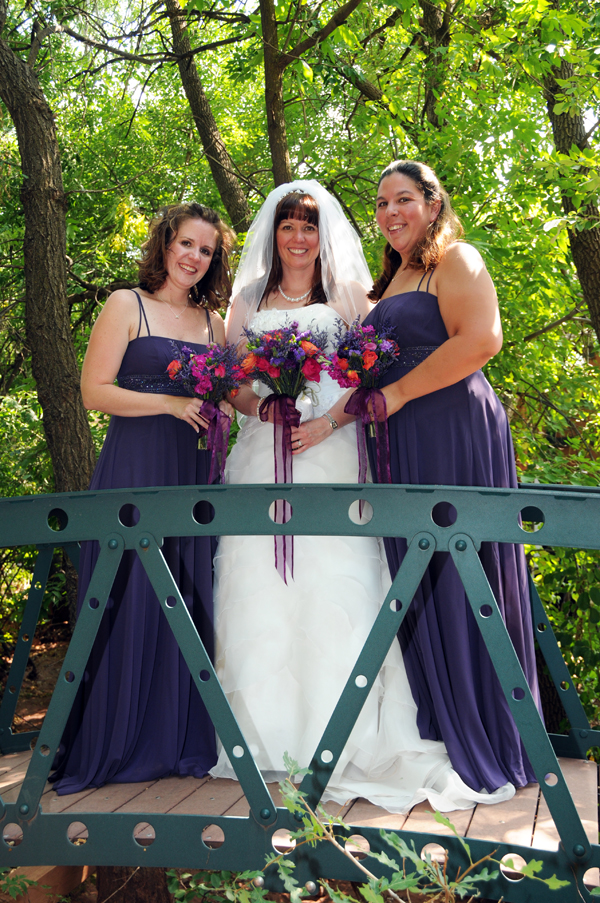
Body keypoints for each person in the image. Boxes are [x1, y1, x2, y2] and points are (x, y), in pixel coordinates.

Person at [209, 179, 515, 813]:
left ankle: (351, 733)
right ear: (272, 234)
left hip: (338, 446)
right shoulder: (247, 300)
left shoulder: (357, 293)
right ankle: (262, 736)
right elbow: (232, 380)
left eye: (310, 226)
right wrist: (262, 407)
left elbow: (373, 368)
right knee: (257, 583)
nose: (299, 237)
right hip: (266, 450)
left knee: (343, 579)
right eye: (288, 226)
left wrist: (329, 420)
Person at [297, 161, 540, 797]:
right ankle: (442, 725)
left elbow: (482, 340)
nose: (389, 213)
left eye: (403, 199)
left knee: (462, 574)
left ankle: (489, 733)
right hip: (399, 441)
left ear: (433, 204)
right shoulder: (393, 280)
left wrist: (400, 393)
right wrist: (329, 423)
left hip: (451, 430)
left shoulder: (457, 260)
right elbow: (370, 381)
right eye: (380, 204)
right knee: (418, 578)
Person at [51, 202, 235, 794]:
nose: (194, 257)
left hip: (195, 474)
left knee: (187, 594)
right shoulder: (125, 304)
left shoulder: (216, 324)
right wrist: (169, 403)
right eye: (186, 244)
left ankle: (176, 741)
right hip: (136, 468)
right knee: (129, 594)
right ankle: (113, 741)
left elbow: (226, 398)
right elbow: (93, 391)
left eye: (206, 250)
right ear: (165, 243)